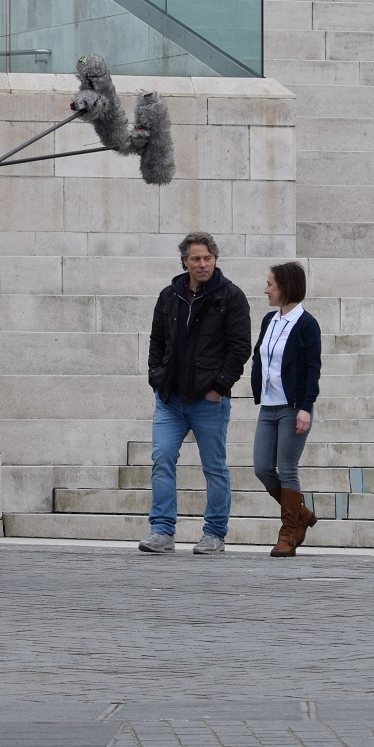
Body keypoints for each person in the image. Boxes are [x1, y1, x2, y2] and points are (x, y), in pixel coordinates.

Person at [139, 231, 251, 556]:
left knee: (214, 466)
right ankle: (161, 531)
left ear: (215, 259)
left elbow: (239, 348)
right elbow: (156, 342)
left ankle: (214, 534)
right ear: (185, 261)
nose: (202, 264)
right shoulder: (168, 296)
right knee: (161, 459)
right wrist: (156, 379)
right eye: (196, 259)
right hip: (170, 400)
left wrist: (219, 387)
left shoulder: (231, 297)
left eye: (208, 258)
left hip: (209, 401)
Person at [251, 261, 322, 557]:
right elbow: (259, 356)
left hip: (293, 408)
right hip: (268, 407)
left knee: (287, 468)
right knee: (263, 468)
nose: (266, 289)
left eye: (270, 284)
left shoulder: (306, 324)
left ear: (285, 287)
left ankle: (289, 533)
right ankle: (301, 513)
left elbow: (312, 367)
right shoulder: (270, 320)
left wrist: (305, 407)